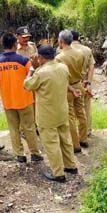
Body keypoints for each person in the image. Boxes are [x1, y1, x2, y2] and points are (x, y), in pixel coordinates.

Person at [23, 45, 78, 182]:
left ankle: (58, 173)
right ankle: (70, 166)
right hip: (62, 111)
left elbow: (27, 85)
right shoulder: (63, 67)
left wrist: (32, 69)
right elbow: (65, 82)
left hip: (47, 115)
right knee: (65, 140)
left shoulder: (41, 72)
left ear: (41, 58)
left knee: (51, 143)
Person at [0, 33, 43, 163]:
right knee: (29, 128)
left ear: (2, 45)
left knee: (13, 128)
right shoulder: (24, 61)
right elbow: (31, 78)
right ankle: (35, 153)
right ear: (15, 44)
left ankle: (19, 154)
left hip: (8, 101)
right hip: (25, 99)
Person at [55, 30, 88, 152]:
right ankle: (83, 139)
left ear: (61, 41)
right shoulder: (80, 53)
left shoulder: (59, 58)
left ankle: (75, 145)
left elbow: (60, 76)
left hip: (68, 88)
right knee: (81, 112)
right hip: (79, 85)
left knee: (70, 116)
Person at [71, 30, 95, 137]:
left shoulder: (64, 50)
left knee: (71, 109)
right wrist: (89, 83)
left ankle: (74, 133)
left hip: (71, 84)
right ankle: (87, 131)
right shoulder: (87, 50)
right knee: (86, 108)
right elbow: (91, 67)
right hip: (84, 83)